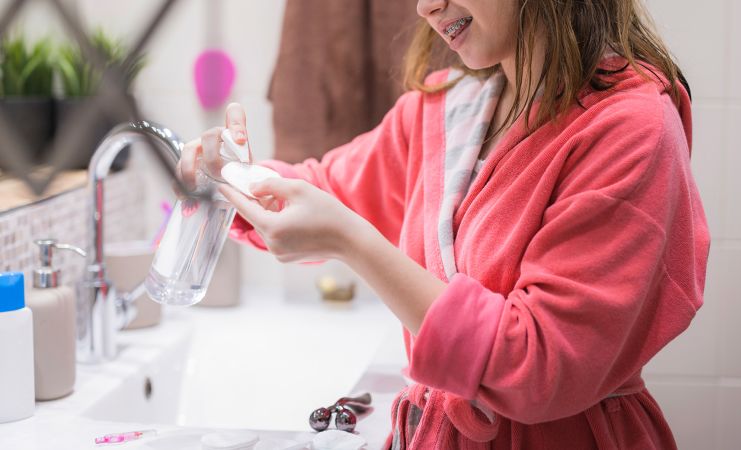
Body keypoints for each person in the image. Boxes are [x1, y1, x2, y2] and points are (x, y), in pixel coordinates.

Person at [178, 0, 710, 448]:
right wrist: (232, 177)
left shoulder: (630, 131)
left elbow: (537, 366)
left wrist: (352, 242)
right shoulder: (448, 108)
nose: (425, 5)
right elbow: (325, 188)